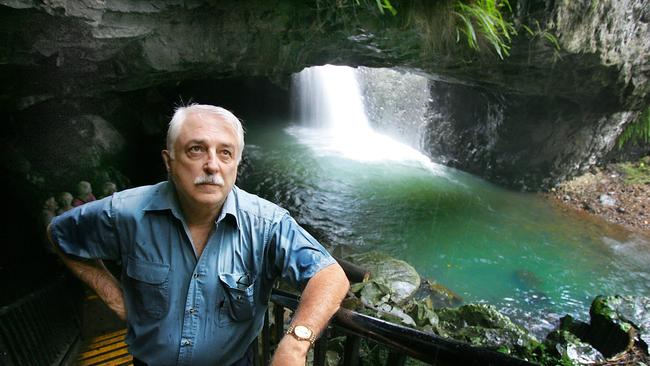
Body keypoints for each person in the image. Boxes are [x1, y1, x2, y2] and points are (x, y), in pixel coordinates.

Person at [48, 104, 349, 366]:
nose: (212, 165)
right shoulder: (126, 213)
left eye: (225, 153)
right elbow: (61, 234)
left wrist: (296, 343)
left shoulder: (266, 224)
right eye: (196, 149)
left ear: (236, 165)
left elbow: (330, 276)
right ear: (169, 161)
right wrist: (116, 300)